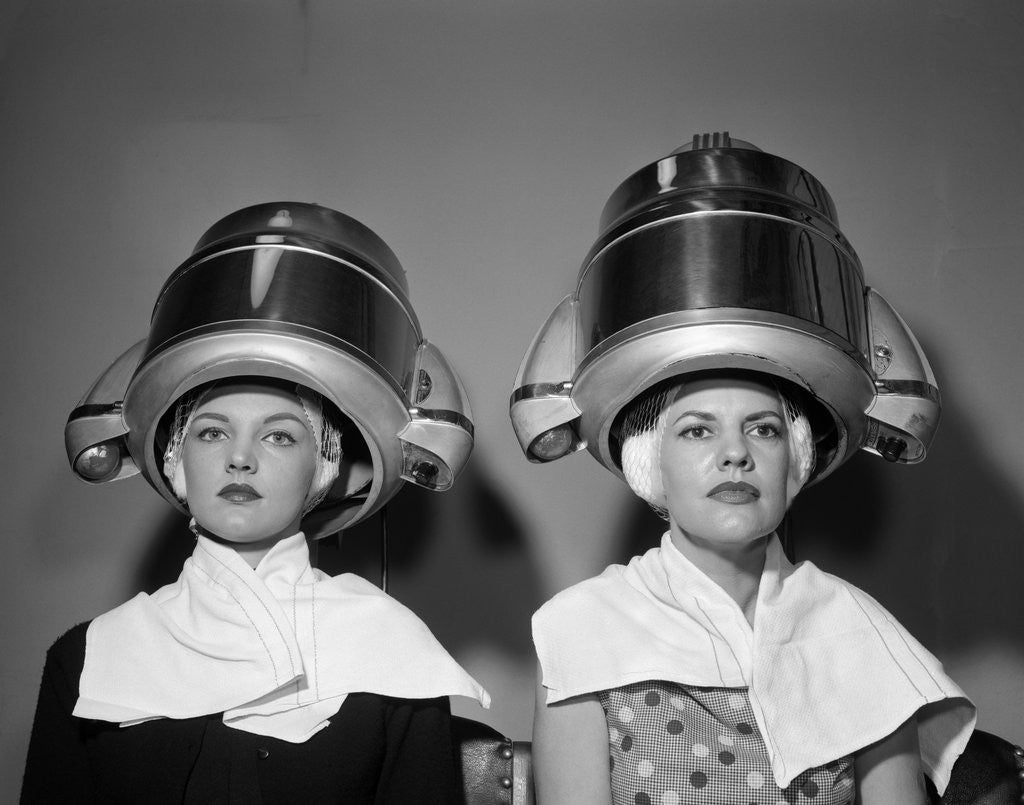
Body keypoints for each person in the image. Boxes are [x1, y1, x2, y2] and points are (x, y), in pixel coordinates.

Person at [509, 134, 975, 803]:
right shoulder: (581, 628)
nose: (736, 453)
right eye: (698, 429)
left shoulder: (859, 632)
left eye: (762, 428)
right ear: (651, 466)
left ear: (796, 463)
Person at [23, 203, 488, 803]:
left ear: (322, 469)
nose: (239, 459)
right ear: (175, 461)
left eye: (278, 435)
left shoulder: (393, 650)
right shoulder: (90, 658)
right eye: (212, 432)